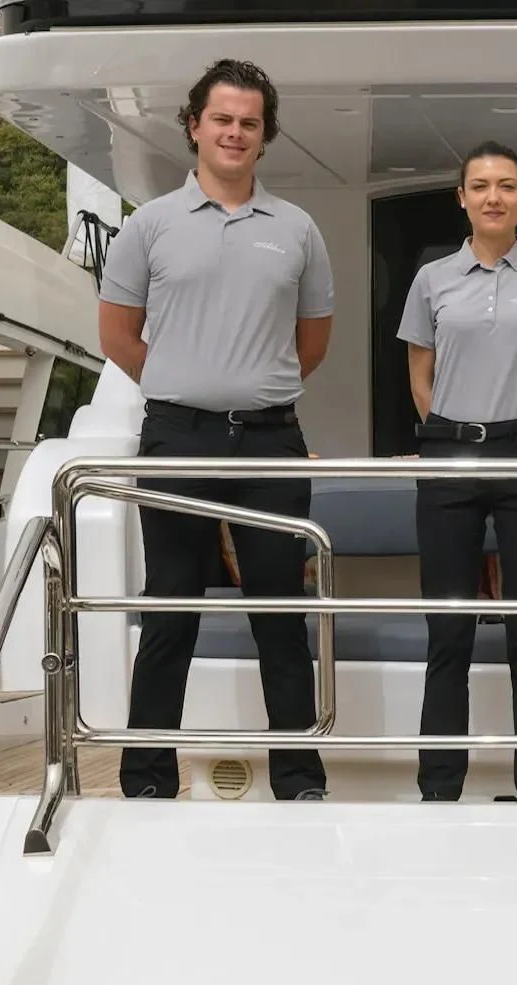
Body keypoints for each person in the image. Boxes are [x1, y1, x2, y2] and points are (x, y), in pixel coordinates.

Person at [97, 58, 333, 801]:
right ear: (194, 126)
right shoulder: (149, 226)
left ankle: (298, 780)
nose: (235, 133)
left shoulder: (297, 229)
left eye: (250, 123)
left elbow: (312, 342)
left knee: (280, 613)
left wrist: (248, 386)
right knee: (171, 605)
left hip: (269, 440)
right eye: (222, 119)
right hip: (176, 438)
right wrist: (184, 386)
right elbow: (118, 335)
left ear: (265, 137)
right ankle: (145, 779)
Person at [399, 141, 517, 802]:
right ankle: (439, 786)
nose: (494, 197)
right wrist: (454, 430)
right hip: (449, 453)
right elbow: (420, 374)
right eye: (480, 186)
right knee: (446, 628)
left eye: (507, 185)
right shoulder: (432, 279)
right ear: (462, 197)